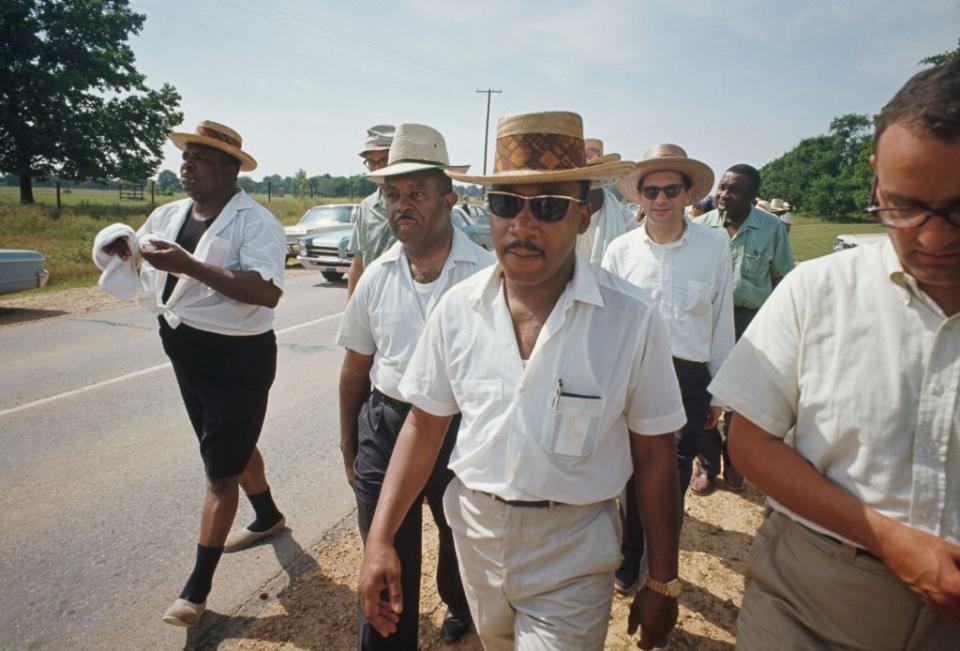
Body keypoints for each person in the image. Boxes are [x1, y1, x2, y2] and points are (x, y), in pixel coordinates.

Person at [357, 111, 687, 650]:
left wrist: (661, 580)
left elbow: (654, 454)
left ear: (582, 217)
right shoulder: (457, 310)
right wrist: (379, 541)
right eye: (507, 205)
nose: (523, 226)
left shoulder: (631, 318)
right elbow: (423, 424)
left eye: (549, 207)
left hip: (575, 548)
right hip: (476, 536)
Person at [710, 59, 960, 649]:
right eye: (902, 206)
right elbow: (750, 439)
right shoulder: (820, 291)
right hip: (814, 594)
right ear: (875, 177)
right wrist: (890, 539)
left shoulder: (776, 240)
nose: (932, 238)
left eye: (959, 211)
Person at [94, 121, 287, 627]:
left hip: (237, 358)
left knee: (219, 471)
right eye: (186, 157)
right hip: (184, 347)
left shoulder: (256, 221)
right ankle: (268, 517)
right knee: (225, 441)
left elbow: (266, 291)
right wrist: (126, 252)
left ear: (230, 169)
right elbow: (149, 265)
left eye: (201, 158)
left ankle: (195, 592)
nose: (188, 165)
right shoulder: (167, 213)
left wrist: (189, 265)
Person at [337, 123, 489, 648]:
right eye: (392, 195)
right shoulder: (376, 277)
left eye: (417, 194)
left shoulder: (488, 277)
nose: (403, 206)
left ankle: (459, 604)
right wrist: (349, 442)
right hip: (387, 423)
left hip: (460, 430)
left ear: (449, 200)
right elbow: (356, 368)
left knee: (457, 540)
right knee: (383, 564)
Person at [602, 144, 734, 593]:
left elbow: (721, 320)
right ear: (638, 196)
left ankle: (658, 566)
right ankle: (629, 556)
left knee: (673, 476)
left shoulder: (715, 247)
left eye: (670, 190)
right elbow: (606, 319)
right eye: (651, 190)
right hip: (633, 374)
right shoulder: (620, 251)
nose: (660, 200)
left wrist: (718, 393)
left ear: (686, 194)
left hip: (689, 377)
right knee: (632, 471)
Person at [692, 163, 794, 494]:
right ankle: (708, 464)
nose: (723, 194)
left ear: (751, 197)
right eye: (722, 187)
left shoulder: (771, 228)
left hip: (752, 323)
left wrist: (778, 327)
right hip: (707, 322)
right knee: (706, 393)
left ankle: (736, 461)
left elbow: (781, 278)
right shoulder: (700, 226)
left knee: (743, 398)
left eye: (733, 190)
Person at [346, 125, 396, 296]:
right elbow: (358, 263)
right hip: (373, 302)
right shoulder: (366, 207)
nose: (377, 169)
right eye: (372, 163)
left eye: (384, 160)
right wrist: (350, 312)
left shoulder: (421, 205)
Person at [577, 138, 631, 263]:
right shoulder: (562, 216)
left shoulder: (624, 219)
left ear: (603, 175)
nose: (589, 179)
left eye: (593, 171)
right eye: (583, 174)